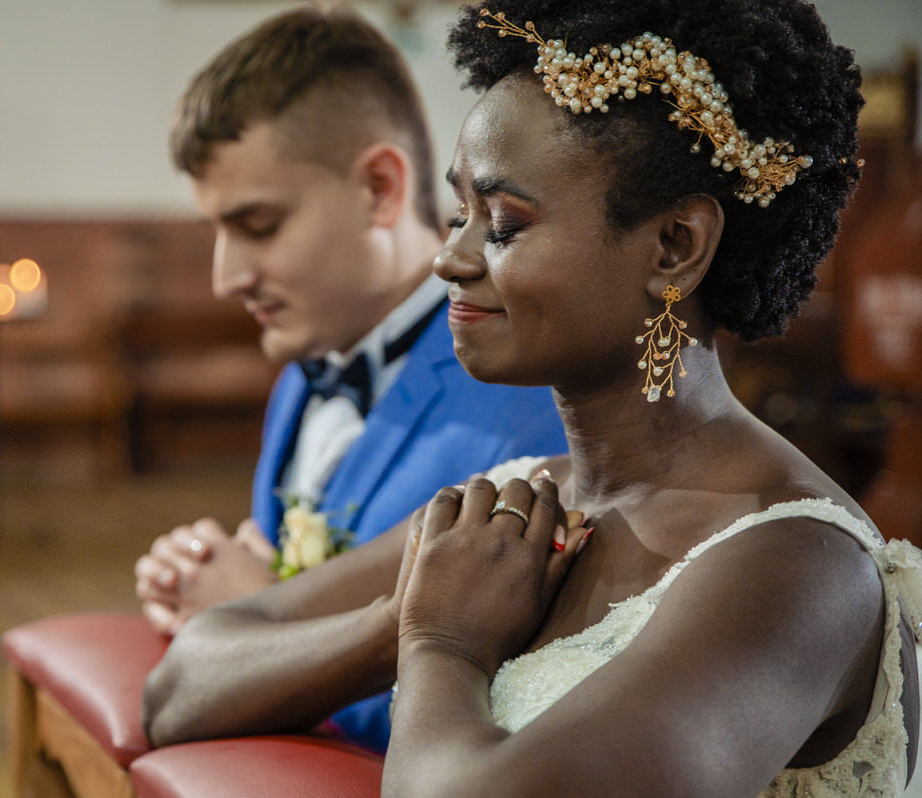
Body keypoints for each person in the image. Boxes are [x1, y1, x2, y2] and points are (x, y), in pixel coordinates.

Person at [147, 0, 922, 793]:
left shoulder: (797, 565)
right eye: (460, 213)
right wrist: (392, 625)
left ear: (674, 247)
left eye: (504, 224)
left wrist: (443, 646)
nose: (450, 258)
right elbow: (178, 687)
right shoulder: (526, 494)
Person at [134, 6, 568, 752]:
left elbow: (516, 710)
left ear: (379, 188)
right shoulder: (302, 377)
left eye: (258, 225)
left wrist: (259, 625)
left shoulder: (527, 402)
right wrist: (203, 585)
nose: (225, 276)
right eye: (216, 230)